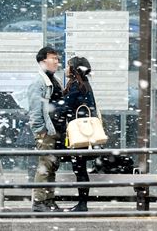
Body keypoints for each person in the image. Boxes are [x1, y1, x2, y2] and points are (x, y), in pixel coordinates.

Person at [57, 56, 98, 212]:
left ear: (74, 69)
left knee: (79, 169)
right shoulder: (83, 84)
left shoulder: (77, 86)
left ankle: (82, 204)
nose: (65, 69)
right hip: (83, 132)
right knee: (79, 168)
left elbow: (64, 107)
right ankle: (82, 203)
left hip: (79, 133)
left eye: (68, 66)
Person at [27, 46, 64, 212]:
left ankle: (49, 200)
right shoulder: (39, 82)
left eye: (57, 58)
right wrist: (41, 130)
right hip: (46, 131)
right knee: (45, 165)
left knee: (51, 166)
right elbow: (35, 109)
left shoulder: (54, 79)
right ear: (42, 61)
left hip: (54, 131)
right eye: (52, 58)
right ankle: (39, 201)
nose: (56, 61)